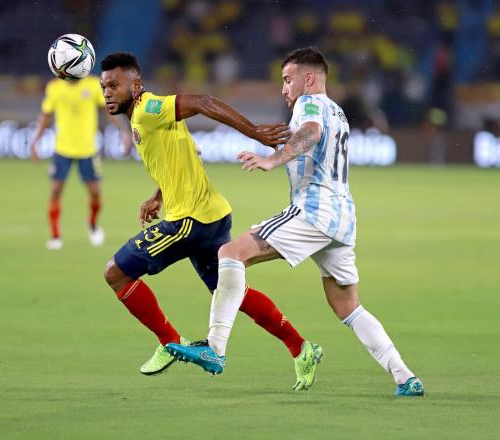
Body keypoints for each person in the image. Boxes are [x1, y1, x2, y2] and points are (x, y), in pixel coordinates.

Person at [166, 47, 424, 397]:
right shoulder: (340, 112)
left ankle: (215, 346)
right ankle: (404, 376)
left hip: (314, 210)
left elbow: (311, 133)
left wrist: (273, 160)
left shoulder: (310, 103)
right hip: (343, 217)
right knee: (347, 305)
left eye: (287, 80)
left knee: (230, 253)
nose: (284, 89)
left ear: (309, 78)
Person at [100, 52, 320, 390]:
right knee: (230, 293)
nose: (108, 93)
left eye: (114, 85)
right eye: (104, 87)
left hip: (189, 221)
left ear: (136, 84)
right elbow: (183, 154)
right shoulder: (145, 117)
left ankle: (168, 341)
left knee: (116, 273)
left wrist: (254, 133)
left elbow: (203, 101)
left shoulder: (148, 109)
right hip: (212, 214)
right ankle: (300, 347)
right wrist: (158, 196)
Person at [30, 74, 131, 250]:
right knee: (55, 190)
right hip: (62, 149)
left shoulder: (93, 85)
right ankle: (55, 236)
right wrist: (35, 141)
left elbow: (108, 111)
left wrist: (123, 131)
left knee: (95, 193)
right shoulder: (54, 87)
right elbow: (45, 116)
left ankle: (92, 223)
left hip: (88, 150)